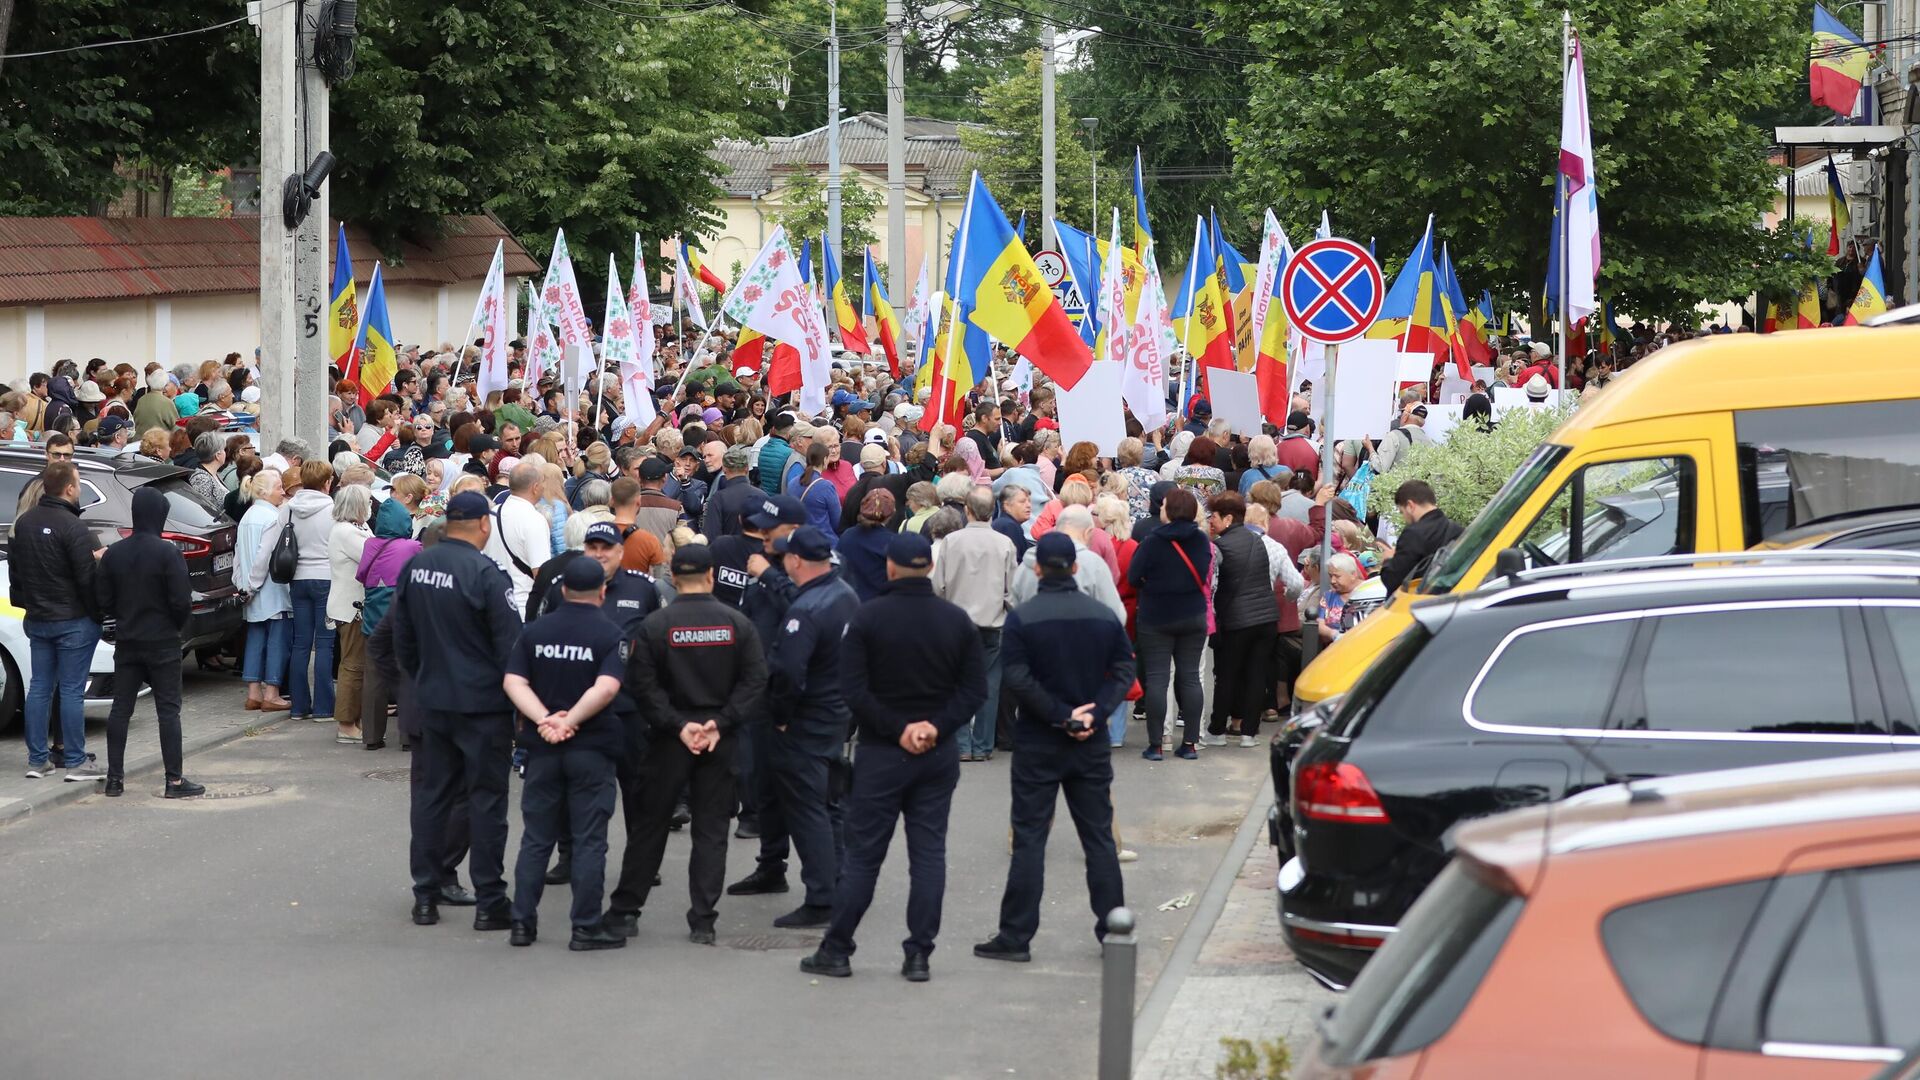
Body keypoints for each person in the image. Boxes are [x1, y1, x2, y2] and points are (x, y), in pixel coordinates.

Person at [801, 533, 987, 981]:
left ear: (889, 568)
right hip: (936, 752)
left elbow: (854, 691)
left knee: (865, 855)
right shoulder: (956, 621)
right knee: (928, 854)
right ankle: (919, 953)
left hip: (883, 751)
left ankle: (838, 947)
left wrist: (897, 728)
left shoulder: (868, 619)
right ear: (930, 569)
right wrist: (935, 727)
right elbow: (973, 691)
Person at [975, 533, 1135, 964]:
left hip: (1039, 740)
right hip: (1090, 740)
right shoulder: (1102, 615)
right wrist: (1093, 714)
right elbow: (1123, 669)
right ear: (1078, 568)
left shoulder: (1023, 619)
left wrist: (1059, 714)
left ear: (1038, 569)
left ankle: (1016, 935)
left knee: (1029, 838)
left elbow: (1017, 678)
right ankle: (1113, 928)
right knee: (1098, 838)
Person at [608, 544, 767, 944]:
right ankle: (703, 920)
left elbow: (642, 684)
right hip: (719, 738)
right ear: (712, 576)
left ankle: (626, 911)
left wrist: (677, 725)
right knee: (712, 829)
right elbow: (755, 681)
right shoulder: (737, 623)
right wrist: (721, 722)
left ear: (674, 579)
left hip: (667, 740)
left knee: (650, 825)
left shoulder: (656, 625)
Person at [390, 491, 525, 930]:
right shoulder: (487, 575)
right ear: (484, 525)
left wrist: (424, 677)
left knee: (431, 798)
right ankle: (490, 901)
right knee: (486, 802)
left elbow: (402, 640)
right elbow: (510, 651)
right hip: (483, 708)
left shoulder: (416, 567)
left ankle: (425, 896)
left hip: (433, 700)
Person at [503, 556, 630, 951]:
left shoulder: (536, 631)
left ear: (561, 591)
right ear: (603, 592)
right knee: (590, 839)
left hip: (542, 750)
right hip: (591, 748)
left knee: (537, 838)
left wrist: (545, 720)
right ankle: (585, 927)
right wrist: (571, 720)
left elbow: (513, 681)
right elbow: (607, 688)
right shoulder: (610, 634)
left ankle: (522, 924)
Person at [757, 525, 859, 929]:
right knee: (831, 803)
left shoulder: (807, 608)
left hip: (807, 720)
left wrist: (780, 716)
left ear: (796, 560)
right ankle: (837, 881)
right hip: (835, 714)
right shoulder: (844, 595)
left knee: (808, 809)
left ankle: (821, 897)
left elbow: (788, 673)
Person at [94, 486, 202, 797]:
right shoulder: (169, 553)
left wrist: (124, 617)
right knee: (168, 712)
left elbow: (103, 600)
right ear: (160, 516)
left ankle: (115, 779)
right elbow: (182, 601)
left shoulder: (114, 553)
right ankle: (174, 781)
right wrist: (176, 626)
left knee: (120, 710)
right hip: (163, 641)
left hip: (127, 642)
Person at [14, 461, 104, 780]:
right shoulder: (74, 527)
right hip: (73, 620)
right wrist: (98, 616)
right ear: (68, 489)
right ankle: (76, 761)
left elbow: (18, 577)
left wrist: (28, 606)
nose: (79, 489)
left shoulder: (23, 524)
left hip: (38, 618)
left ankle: (37, 759)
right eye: (78, 484)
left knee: (39, 687)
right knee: (70, 690)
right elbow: (86, 579)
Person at [930, 487, 1017, 763]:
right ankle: (982, 744)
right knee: (990, 686)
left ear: (967, 510)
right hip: (992, 622)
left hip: (956, 622)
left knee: (956, 683)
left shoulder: (951, 542)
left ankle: (962, 744)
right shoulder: (1004, 543)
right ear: (994, 511)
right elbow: (1011, 591)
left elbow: (938, 585)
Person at [1128, 489, 1211, 761]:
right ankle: (1189, 743)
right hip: (1192, 614)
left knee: (1158, 679)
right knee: (1189, 678)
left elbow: (1133, 576)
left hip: (1156, 616)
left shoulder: (1152, 542)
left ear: (1170, 510)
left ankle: (1155, 745)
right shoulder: (1201, 540)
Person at [1202, 493, 1278, 747]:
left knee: (1227, 675)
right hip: (1266, 617)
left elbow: (1215, 587)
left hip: (1236, 620)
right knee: (1256, 675)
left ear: (1228, 518)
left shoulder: (1220, 547)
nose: (1209, 521)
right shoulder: (1258, 542)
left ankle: (1217, 730)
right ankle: (1249, 733)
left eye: (1213, 516)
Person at [283, 460, 338, 726]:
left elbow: (274, 543)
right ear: (327, 482)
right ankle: (324, 707)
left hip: (297, 579)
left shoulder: (288, 509)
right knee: (325, 644)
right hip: (326, 579)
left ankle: (299, 706)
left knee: (301, 643)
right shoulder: (333, 509)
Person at [327, 485, 373, 746]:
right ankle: (346, 724)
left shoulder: (358, 528)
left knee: (358, 665)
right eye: (367, 501)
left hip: (356, 606)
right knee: (353, 666)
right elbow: (373, 555)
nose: (370, 506)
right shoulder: (346, 532)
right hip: (351, 608)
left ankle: (354, 720)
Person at [485, 461, 551, 614]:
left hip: (491, 605)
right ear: (535, 487)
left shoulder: (492, 513)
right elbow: (541, 573)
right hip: (521, 607)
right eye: (542, 483)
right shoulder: (534, 519)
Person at [1380, 479, 1463, 595]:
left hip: (1418, 605)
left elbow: (1393, 580)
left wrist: (1388, 560)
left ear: (1410, 506)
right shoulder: (1457, 530)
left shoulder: (1412, 534)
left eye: (1402, 512)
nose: (1404, 517)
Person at [836, 488, 896, 602]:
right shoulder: (892, 542)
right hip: (879, 607)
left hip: (850, 604)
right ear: (891, 513)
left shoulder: (847, 536)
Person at [1372, 404, 1432, 475]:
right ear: (1422, 424)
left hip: (1395, 485)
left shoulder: (1394, 435)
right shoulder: (1429, 441)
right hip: (1418, 485)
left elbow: (1380, 468)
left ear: (1405, 417)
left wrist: (1370, 450)